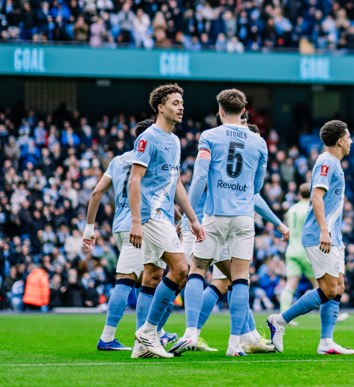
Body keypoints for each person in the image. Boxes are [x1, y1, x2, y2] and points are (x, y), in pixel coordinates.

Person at [172, 89, 286, 357]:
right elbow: (257, 185)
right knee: (240, 278)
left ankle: (191, 333)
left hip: (216, 215)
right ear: (244, 112)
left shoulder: (209, 136)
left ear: (221, 110)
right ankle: (235, 344)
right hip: (245, 217)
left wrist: (190, 216)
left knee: (198, 270)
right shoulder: (259, 142)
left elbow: (200, 178)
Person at [128, 83, 206, 359]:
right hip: (151, 215)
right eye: (175, 102)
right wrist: (136, 221)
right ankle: (149, 332)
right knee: (181, 268)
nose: (181, 106)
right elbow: (134, 180)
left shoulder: (174, 140)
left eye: (181, 102)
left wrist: (192, 219)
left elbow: (176, 185)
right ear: (161, 107)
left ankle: (140, 347)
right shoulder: (148, 138)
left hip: (163, 213)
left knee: (152, 275)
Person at [267, 120, 354, 356]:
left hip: (332, 235)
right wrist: (324, 230)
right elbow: (316, 197)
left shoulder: (334, 163)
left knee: (338, 287)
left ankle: (327, 341)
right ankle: (279, 320)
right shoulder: (326, 161)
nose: (351, 141)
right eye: (348, 137)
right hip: (319, 235)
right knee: (328, 290)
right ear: (339, 140)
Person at [81, 119, 155, 352]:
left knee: (149, 278)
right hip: (138, 226)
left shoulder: (117, 160)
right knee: (127, 280)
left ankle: (148, 333)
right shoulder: (150, 158)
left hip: (119, 227)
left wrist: (89, 228)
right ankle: (107, 337)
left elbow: (96, 193)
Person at [281, 183, 314, 308]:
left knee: (290, 285)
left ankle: (282, 315)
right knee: (320, 285)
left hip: (292, 249)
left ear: (299, 194)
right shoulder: (310, 209)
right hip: (306, 251)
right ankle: (329, 315)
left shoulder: (291, 209)